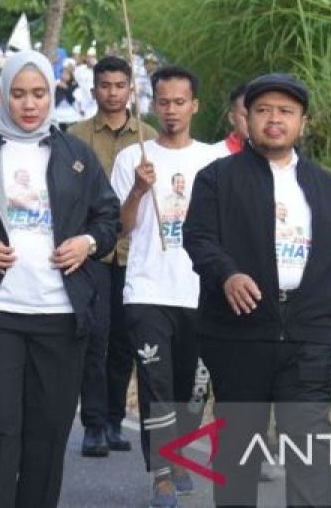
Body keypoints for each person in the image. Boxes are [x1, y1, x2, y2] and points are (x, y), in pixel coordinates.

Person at [0, 50, 121, 508]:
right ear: (4, 97)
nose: (29, 104)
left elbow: (108, 216)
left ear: (52, 95)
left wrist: (88, 244)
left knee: (48, 431)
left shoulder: (75, 154)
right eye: (18, 94)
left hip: (61, 316)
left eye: (38, 93)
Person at [182, 72, 331, 507]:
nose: (274, 120)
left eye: (286, 112)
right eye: (263, 111)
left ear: (302, 122)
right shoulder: (217, 178)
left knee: (309, 446)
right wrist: (227, 274)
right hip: (238, 334)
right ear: (246, 119)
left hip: (307, 337)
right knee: (239, 450)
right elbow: (198, 237)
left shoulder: (327, 186)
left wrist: (329, 321)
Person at [110, 66, 224, 506]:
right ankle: (160, 473)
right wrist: (138, 190)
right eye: (163, 102)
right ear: (152, 105)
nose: (171, 111)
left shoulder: (214, 162)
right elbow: (119, 229)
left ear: (194, 105)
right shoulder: (132, 159)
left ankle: (177, 456)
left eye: (180, 102)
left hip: (201, 294)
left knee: (191, 394)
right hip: (147, 292)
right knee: (157, 388)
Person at [65, 55, 144, 458]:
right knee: (93, 339)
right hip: (91, 252)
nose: (112, 92)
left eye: (120, 85)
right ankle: (93, 424)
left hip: (135, 256)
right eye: (105, 85)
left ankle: (115, 419)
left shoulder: (148, 138)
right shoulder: (73, 136)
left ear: (131, 89)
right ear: (93, 89)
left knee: (123, 343)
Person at [221, 82, 249, 155]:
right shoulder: (213, 156)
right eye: (246, 116)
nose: (252, 121)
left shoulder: (278, 157)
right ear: (232, 118)